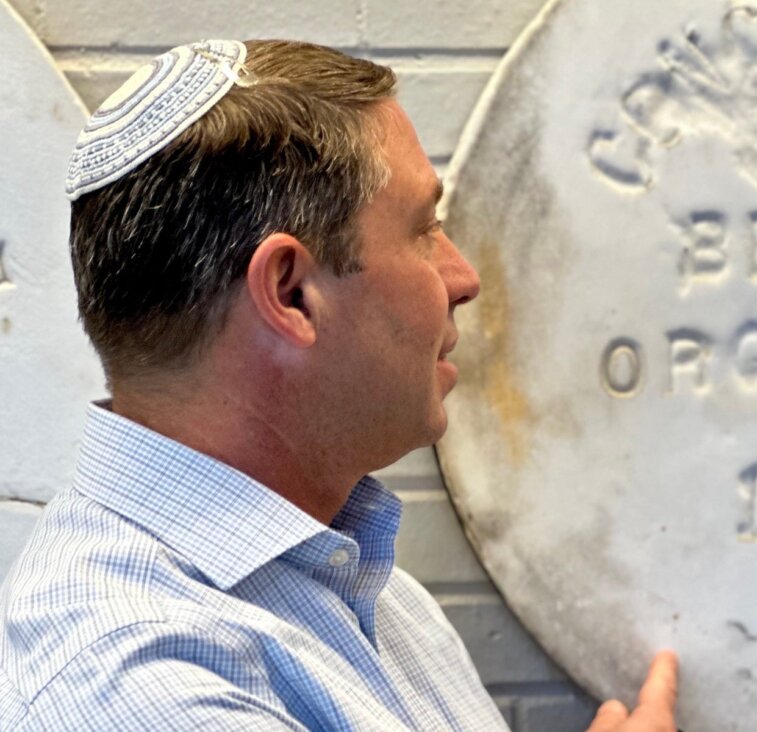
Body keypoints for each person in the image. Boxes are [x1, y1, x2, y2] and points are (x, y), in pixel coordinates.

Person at [0, 39, 677, 731]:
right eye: (423, 231)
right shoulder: (136, 683)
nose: (463, 279)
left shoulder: (363, 589)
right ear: (291, 294)